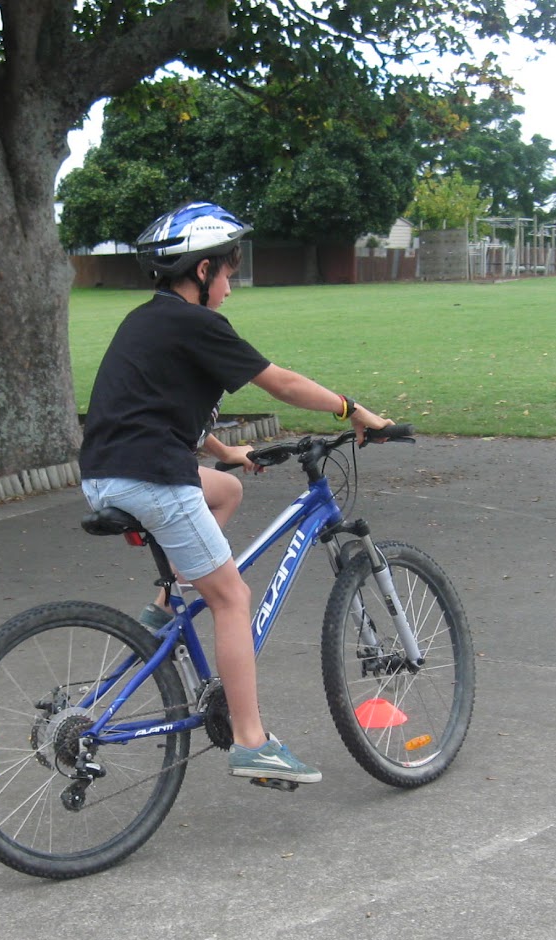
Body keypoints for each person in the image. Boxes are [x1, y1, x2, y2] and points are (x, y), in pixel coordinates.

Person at [79, 201, 389, 785]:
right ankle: (252, 741)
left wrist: (225, 454)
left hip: (106, 472)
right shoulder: (198, 323)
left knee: (224, 491)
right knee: (231, 599)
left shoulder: (147, 319)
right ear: (201, 272)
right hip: (152, 477)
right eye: (227, 271)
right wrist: (354, 411)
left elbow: (154, 405)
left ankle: (166, 606)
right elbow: (284, 384)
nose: (230, 285)